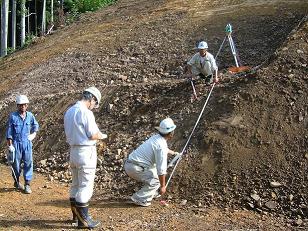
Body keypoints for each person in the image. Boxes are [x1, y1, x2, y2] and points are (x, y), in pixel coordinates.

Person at [64, 87, 107, 229]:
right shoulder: (86, 113)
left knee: (75, 184)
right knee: (85, 186)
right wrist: (102, 135)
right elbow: (93, 134)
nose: (94, 106)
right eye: (95, 103)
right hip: (85, 152)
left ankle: (75, 217)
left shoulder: (69, 111)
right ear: (92, 99)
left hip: (73, 151)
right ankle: (84, 222)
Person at [124, 118, 179, 207]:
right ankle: (140, 198)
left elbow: (163, 149)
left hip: (131, 164)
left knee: (154, 172)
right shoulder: (161, 146)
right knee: (157, 181)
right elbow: (161, 170)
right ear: (171, 133)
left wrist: (173, 153)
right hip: (135, 168)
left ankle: (150, 192)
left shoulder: (156, 138)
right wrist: (162, 186)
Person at [6, 95, 39, 194]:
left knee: (28, 163)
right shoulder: (13, 116)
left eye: (24, 105)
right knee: (16, 165)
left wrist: (34, 133)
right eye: (20, 105)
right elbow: (9, 132)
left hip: (27, 143)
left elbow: (35, 125)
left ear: (27, 105)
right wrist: (10, 145)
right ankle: (16, 181)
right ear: (17, 106)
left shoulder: (30, 115)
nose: (22, 107)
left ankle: (27, 184)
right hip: (16, 144)